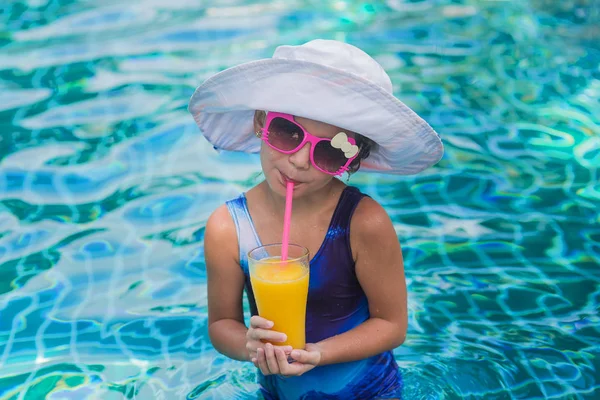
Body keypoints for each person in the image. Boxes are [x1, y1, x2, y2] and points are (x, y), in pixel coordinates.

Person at [188, 39, 443, 399]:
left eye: (329, 151)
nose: (300, 161)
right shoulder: (227, 227)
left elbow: (391, 325)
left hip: (368, 392)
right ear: (261, 121)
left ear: (351, 162)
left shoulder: (363, 222)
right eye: (287, 133)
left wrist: (319, 354)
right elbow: (221, 325)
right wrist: (251, 345)